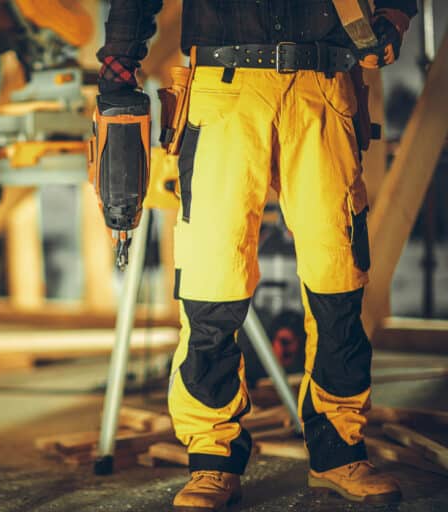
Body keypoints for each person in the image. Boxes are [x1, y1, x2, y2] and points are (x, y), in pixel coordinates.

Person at [96, 1, 417, 510]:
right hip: (224, 89)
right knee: (210, 287)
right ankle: (212, 459)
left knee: (338, 280)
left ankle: (338, 453)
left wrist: (396, 14)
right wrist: (118, 66)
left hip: (323, 85)